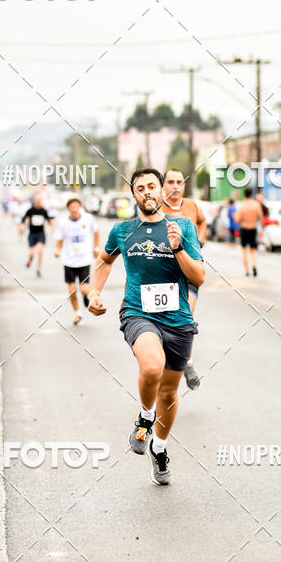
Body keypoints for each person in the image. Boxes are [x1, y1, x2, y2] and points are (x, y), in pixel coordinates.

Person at [88, 168, 205, 485]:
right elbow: (104, 261)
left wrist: (178, 247)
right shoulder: (123, 231)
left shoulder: (182, 227)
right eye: (140, 188)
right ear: (134, 195)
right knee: (152, 366)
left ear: (161, 191)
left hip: (178, 319)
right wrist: (94, 292)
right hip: (138, 313)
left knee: (169, 391)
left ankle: (159, 446)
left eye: (152, 186)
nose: (147, 192)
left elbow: (199, 277)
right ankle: (145, 416)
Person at [161, 168, 207, 391]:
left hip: (188, 270)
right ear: (163, 186)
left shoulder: (192, 206)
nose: (175, 186)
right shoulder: (155, 208)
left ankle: (187, 363)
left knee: (186, 315)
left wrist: (200, 241)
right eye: (171, 182)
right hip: (163, 273)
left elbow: (203, 222)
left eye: (179, 182)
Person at [54, 197, 100, 325]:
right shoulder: (63, 223)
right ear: (68, 209)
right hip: (69, 260)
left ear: (80, 207)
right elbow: (59, 238)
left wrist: (96, 248)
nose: (74, 209)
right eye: (72, 207)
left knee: (84, 289)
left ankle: (86, 296)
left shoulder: (88, 218)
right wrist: (57, 250)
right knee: (72, 290)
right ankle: (77, 313)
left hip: (84, 259)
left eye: (76, 206)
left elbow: (96, 232)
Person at [19, 193, 54, 277]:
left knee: (40, 251)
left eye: (39, 200)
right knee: (31, 253)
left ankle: (38, 269)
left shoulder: (44, 211)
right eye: (36, 200)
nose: (38, 202)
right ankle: (30, 260)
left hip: (40, 234)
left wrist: (51, 224)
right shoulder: (30, 210)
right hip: (32, 234)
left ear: (41, 201)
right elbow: (24, 220)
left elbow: (49, 220)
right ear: (34, 201)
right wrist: (22, 226)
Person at [232, 187, 264, 276]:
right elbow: (261, 218)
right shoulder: (256, 205)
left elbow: (237, 220)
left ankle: (246, 271)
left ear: (244, 194)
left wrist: (234, 216)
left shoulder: (242, 206)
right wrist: (262, 230)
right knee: (253, 250)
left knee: (244, 250)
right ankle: (254, 265)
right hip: (253, 228)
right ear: (251, 194)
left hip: (244, 228)